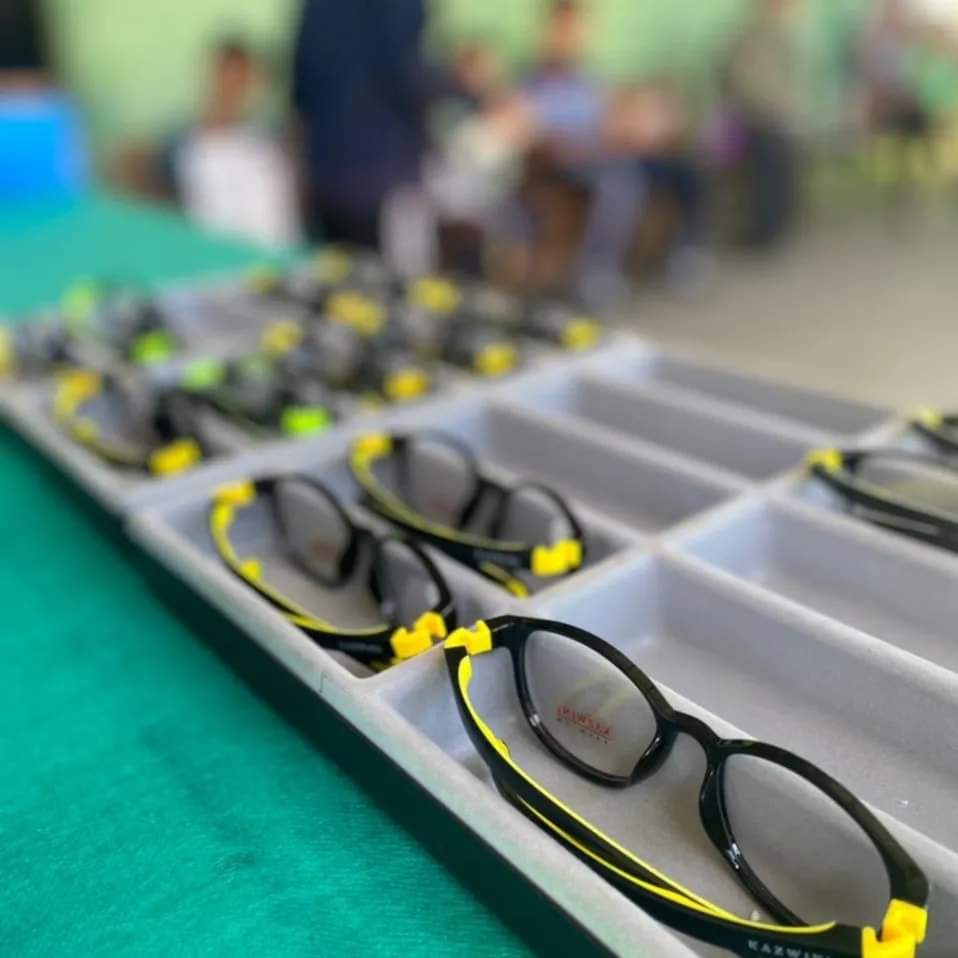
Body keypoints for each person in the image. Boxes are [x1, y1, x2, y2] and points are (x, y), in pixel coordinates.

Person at [291, 0, 441, 248]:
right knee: (382, 268)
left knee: (335, 262)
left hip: (326, 176)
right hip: (382, 181)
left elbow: (300, 94)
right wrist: (465, 87)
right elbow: (408, 78)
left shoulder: (317, 7)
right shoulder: (402, 8)